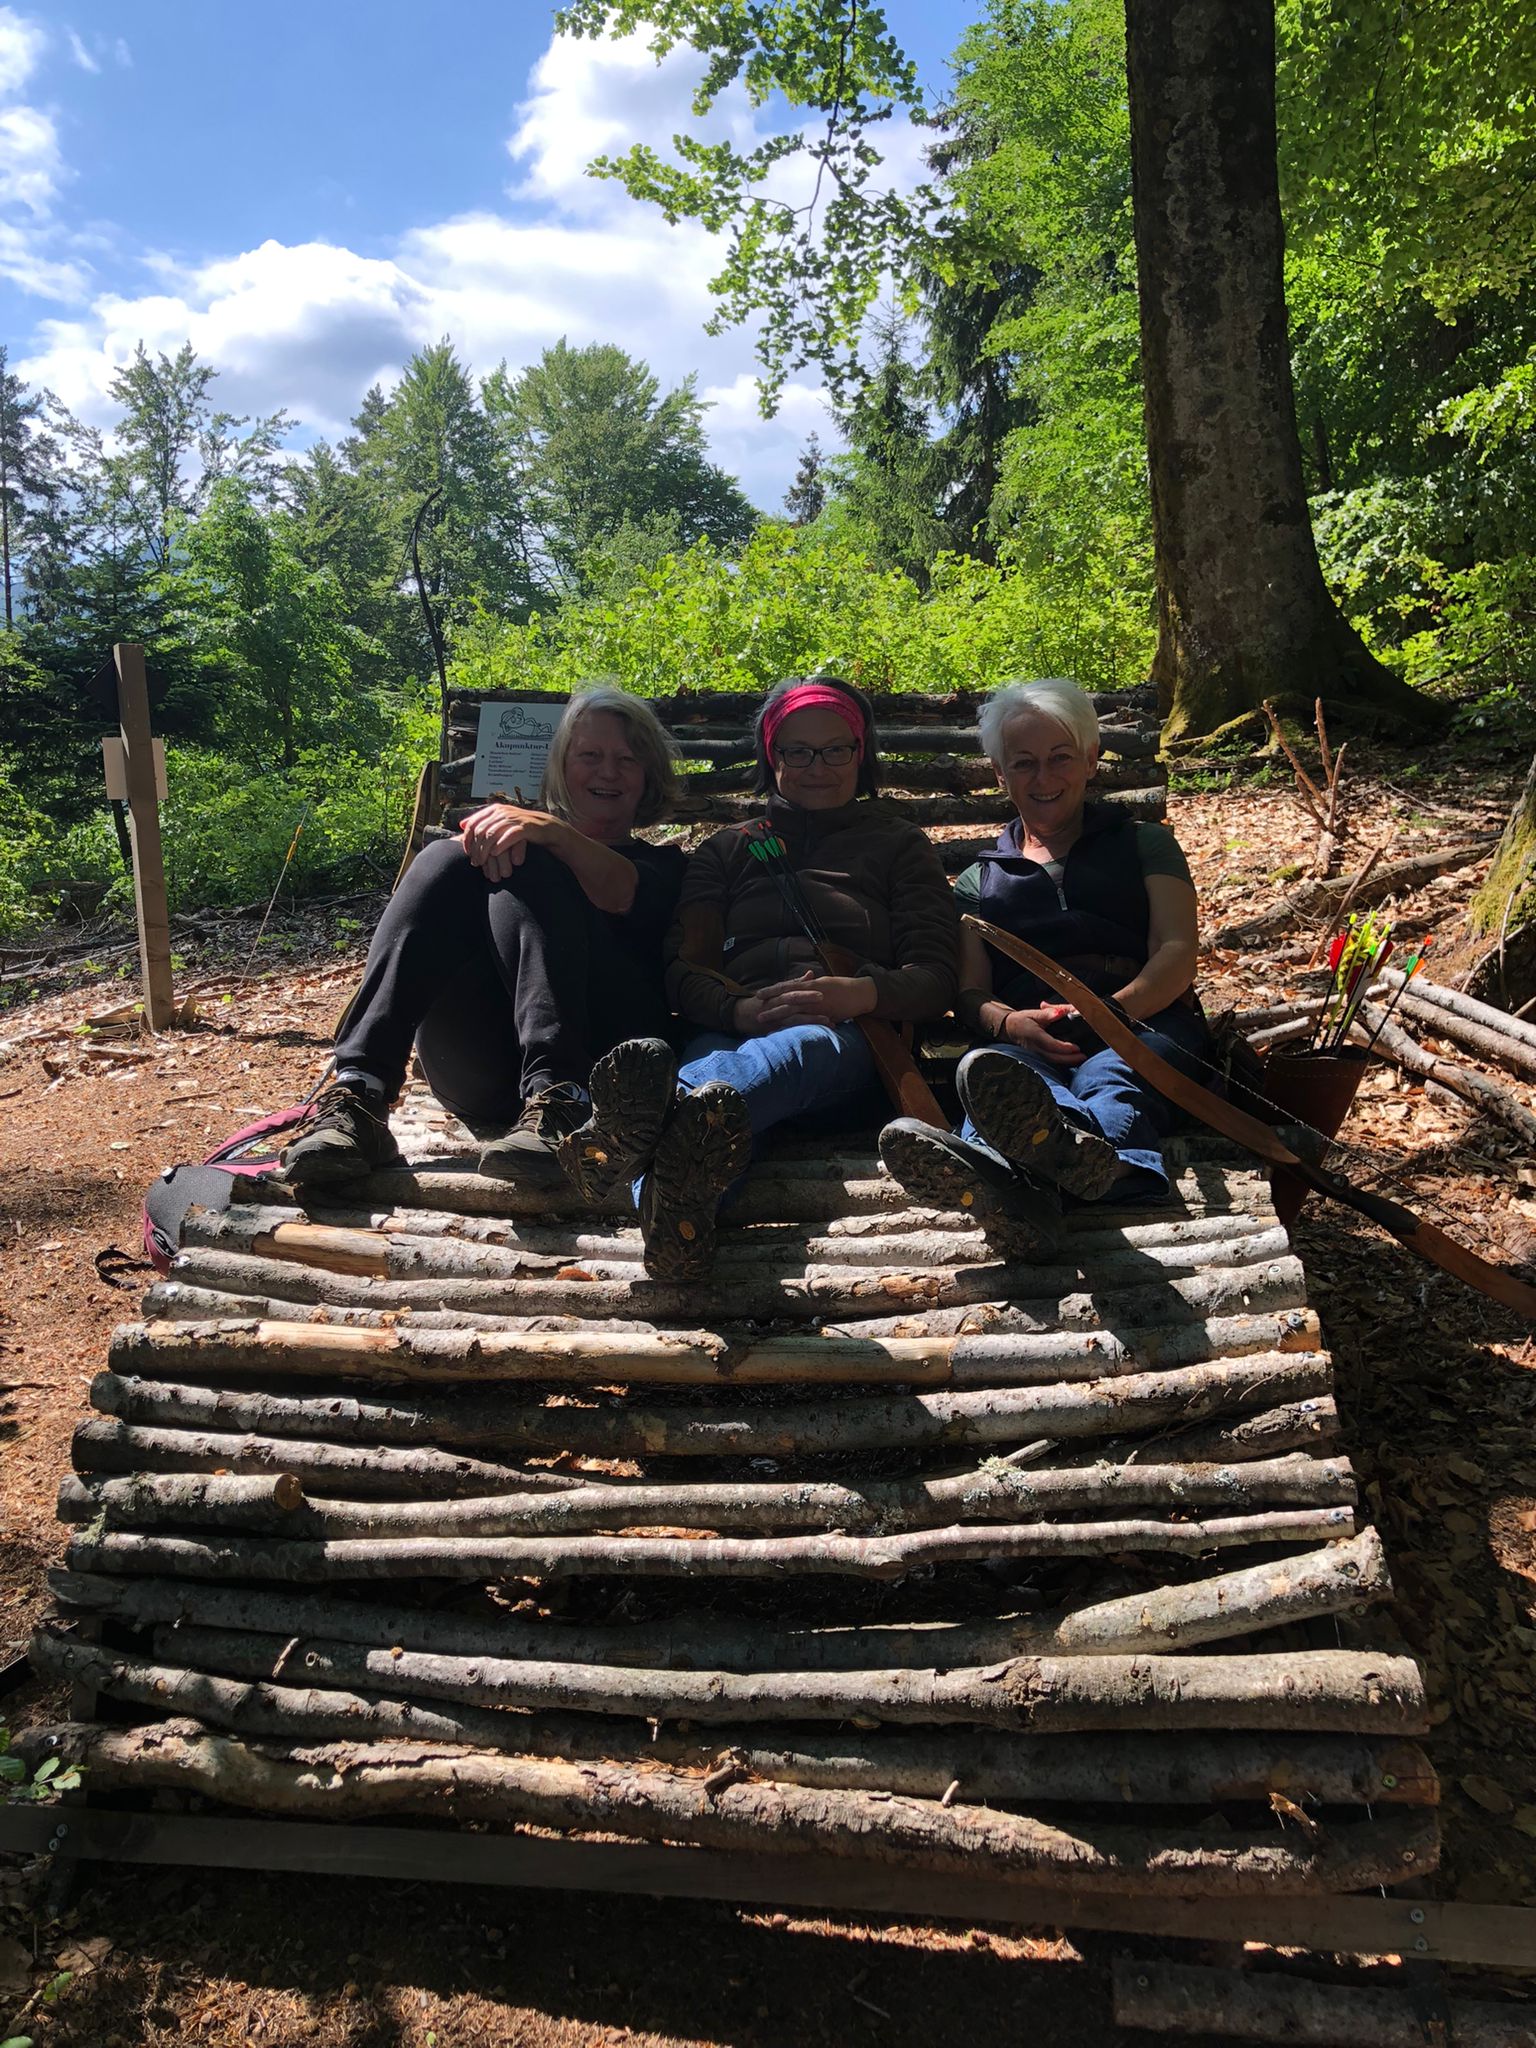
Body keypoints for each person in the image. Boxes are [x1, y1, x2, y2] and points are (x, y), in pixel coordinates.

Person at [556, 675, 961, 1280]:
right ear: (771, 758)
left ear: (862, 754)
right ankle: (675, 1224)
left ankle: (639, 1127)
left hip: (847, 1039)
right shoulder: (727, 851)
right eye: (796, 751)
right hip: (732, 1027)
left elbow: (937, 975)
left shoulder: (901, 847)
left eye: (835, 749)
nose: (815, 766)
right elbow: (683, 969)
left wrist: (863, 992)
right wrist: (737, 1010)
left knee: (792, 1050)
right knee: (710, 1136)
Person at [279, 684, 685, 1190]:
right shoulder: (528, 851)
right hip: (483, 1067)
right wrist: (482, 847)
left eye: (627, 760)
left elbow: (623, 893)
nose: (607, 771)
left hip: (601, 1068)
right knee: (445, 858)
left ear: (649, 777)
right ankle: (359, 1093)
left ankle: (561, 1098)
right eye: (590, 755)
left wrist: (551, 834)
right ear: (561, 765)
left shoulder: (669, 867)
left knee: (535, 864)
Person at [878, 677, 1211, 1241]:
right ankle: (1055, 1172)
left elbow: (1176, 954)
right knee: (993, 1077)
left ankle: (1053, 1172)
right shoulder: (979, 880)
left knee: (1110, 1076)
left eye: (1060, 758)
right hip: (1029, 1039)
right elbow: (970, 993)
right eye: (1024, 763)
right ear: (1000, 774)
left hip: (1146, 1022)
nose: (1044, 778)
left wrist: (1111, 1014)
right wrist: (1009, 1024)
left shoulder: (1143, 845)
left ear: (1090, 760)